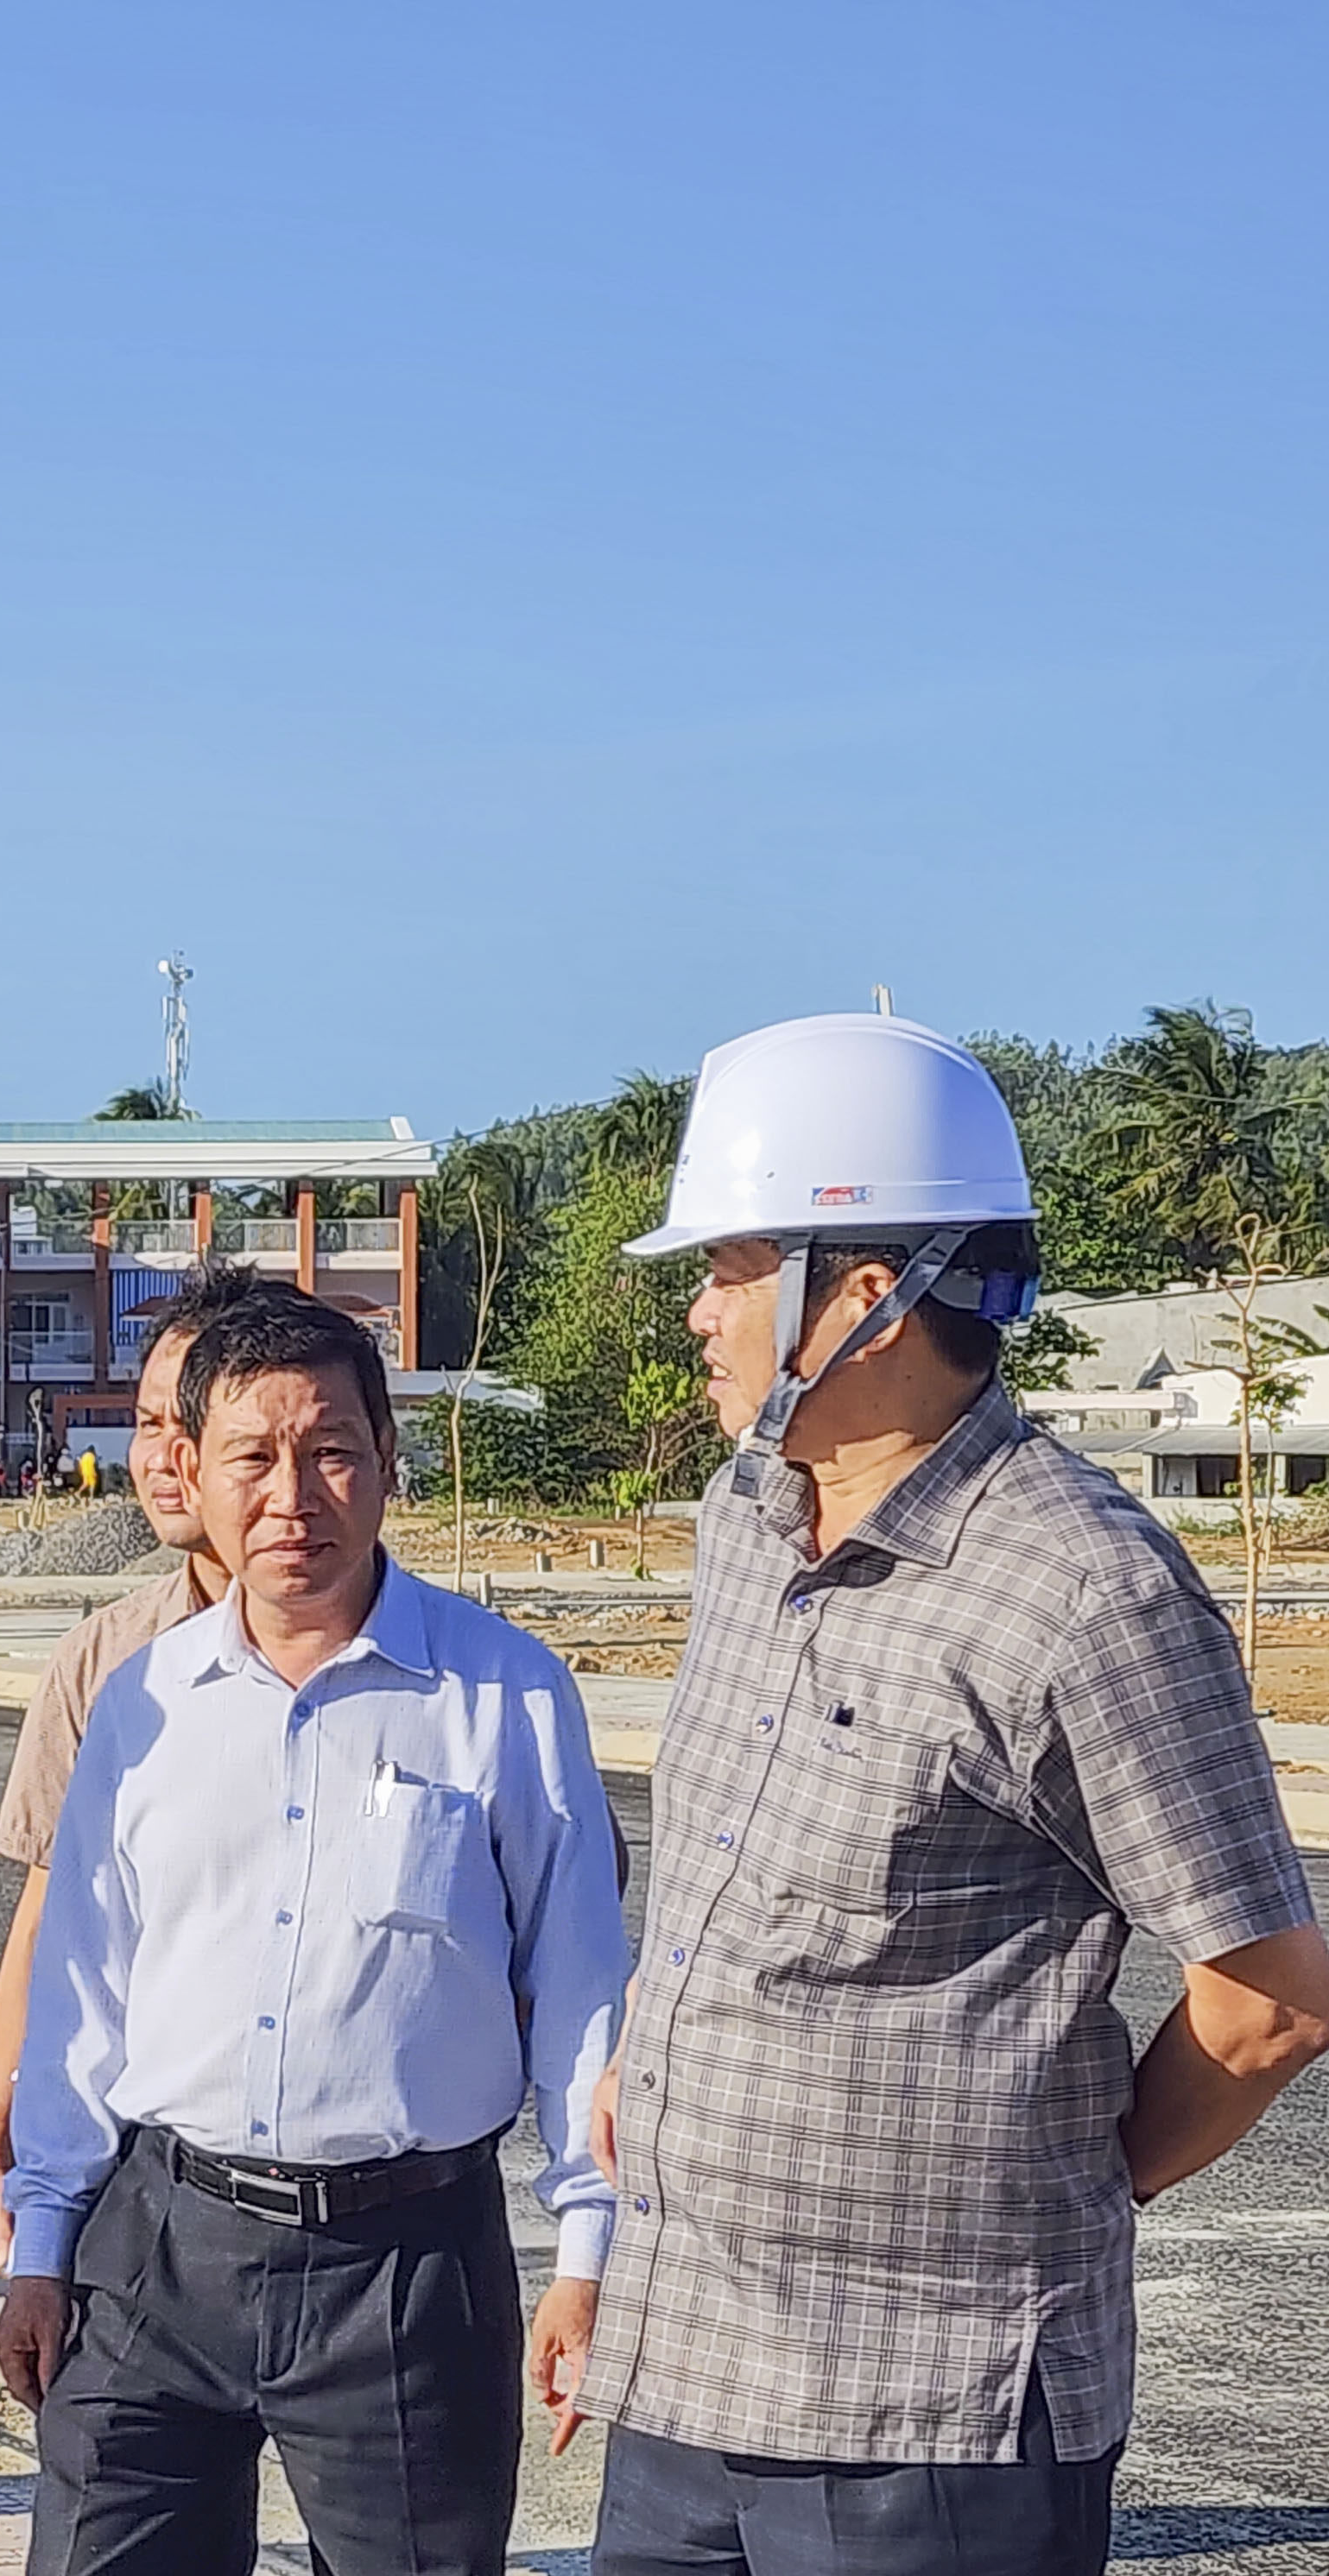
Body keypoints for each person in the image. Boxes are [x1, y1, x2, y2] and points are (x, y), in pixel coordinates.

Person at [578, 1013, 1329, 2576]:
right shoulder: (745, 1514)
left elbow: (1268, 1998)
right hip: (684, 2365)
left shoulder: (1080, 1589)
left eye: (727, 1268)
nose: (697, 1312)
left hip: (929, 2419)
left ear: (862, 1298)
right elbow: (726, 1867)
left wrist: (1046, 2190)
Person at [0, 1283, 630, 2576]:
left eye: (331, 1450)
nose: (293, 1496)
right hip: (156, 2253)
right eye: (253, 1457)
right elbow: (81, 1996)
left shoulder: (504, 1695)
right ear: (192, 1473)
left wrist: (589, 2254)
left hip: (404, 2272)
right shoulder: (144, 1704)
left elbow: (581, 1997)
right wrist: (41, 2248)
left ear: (388, 1460)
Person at [0, 1266, 263, 2274]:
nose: (162, 1458)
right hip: (133, 2166)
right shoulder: (102, 1660)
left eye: (191, 1426)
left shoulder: (443, 1671)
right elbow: (47, 1918)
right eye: (146, 1423)